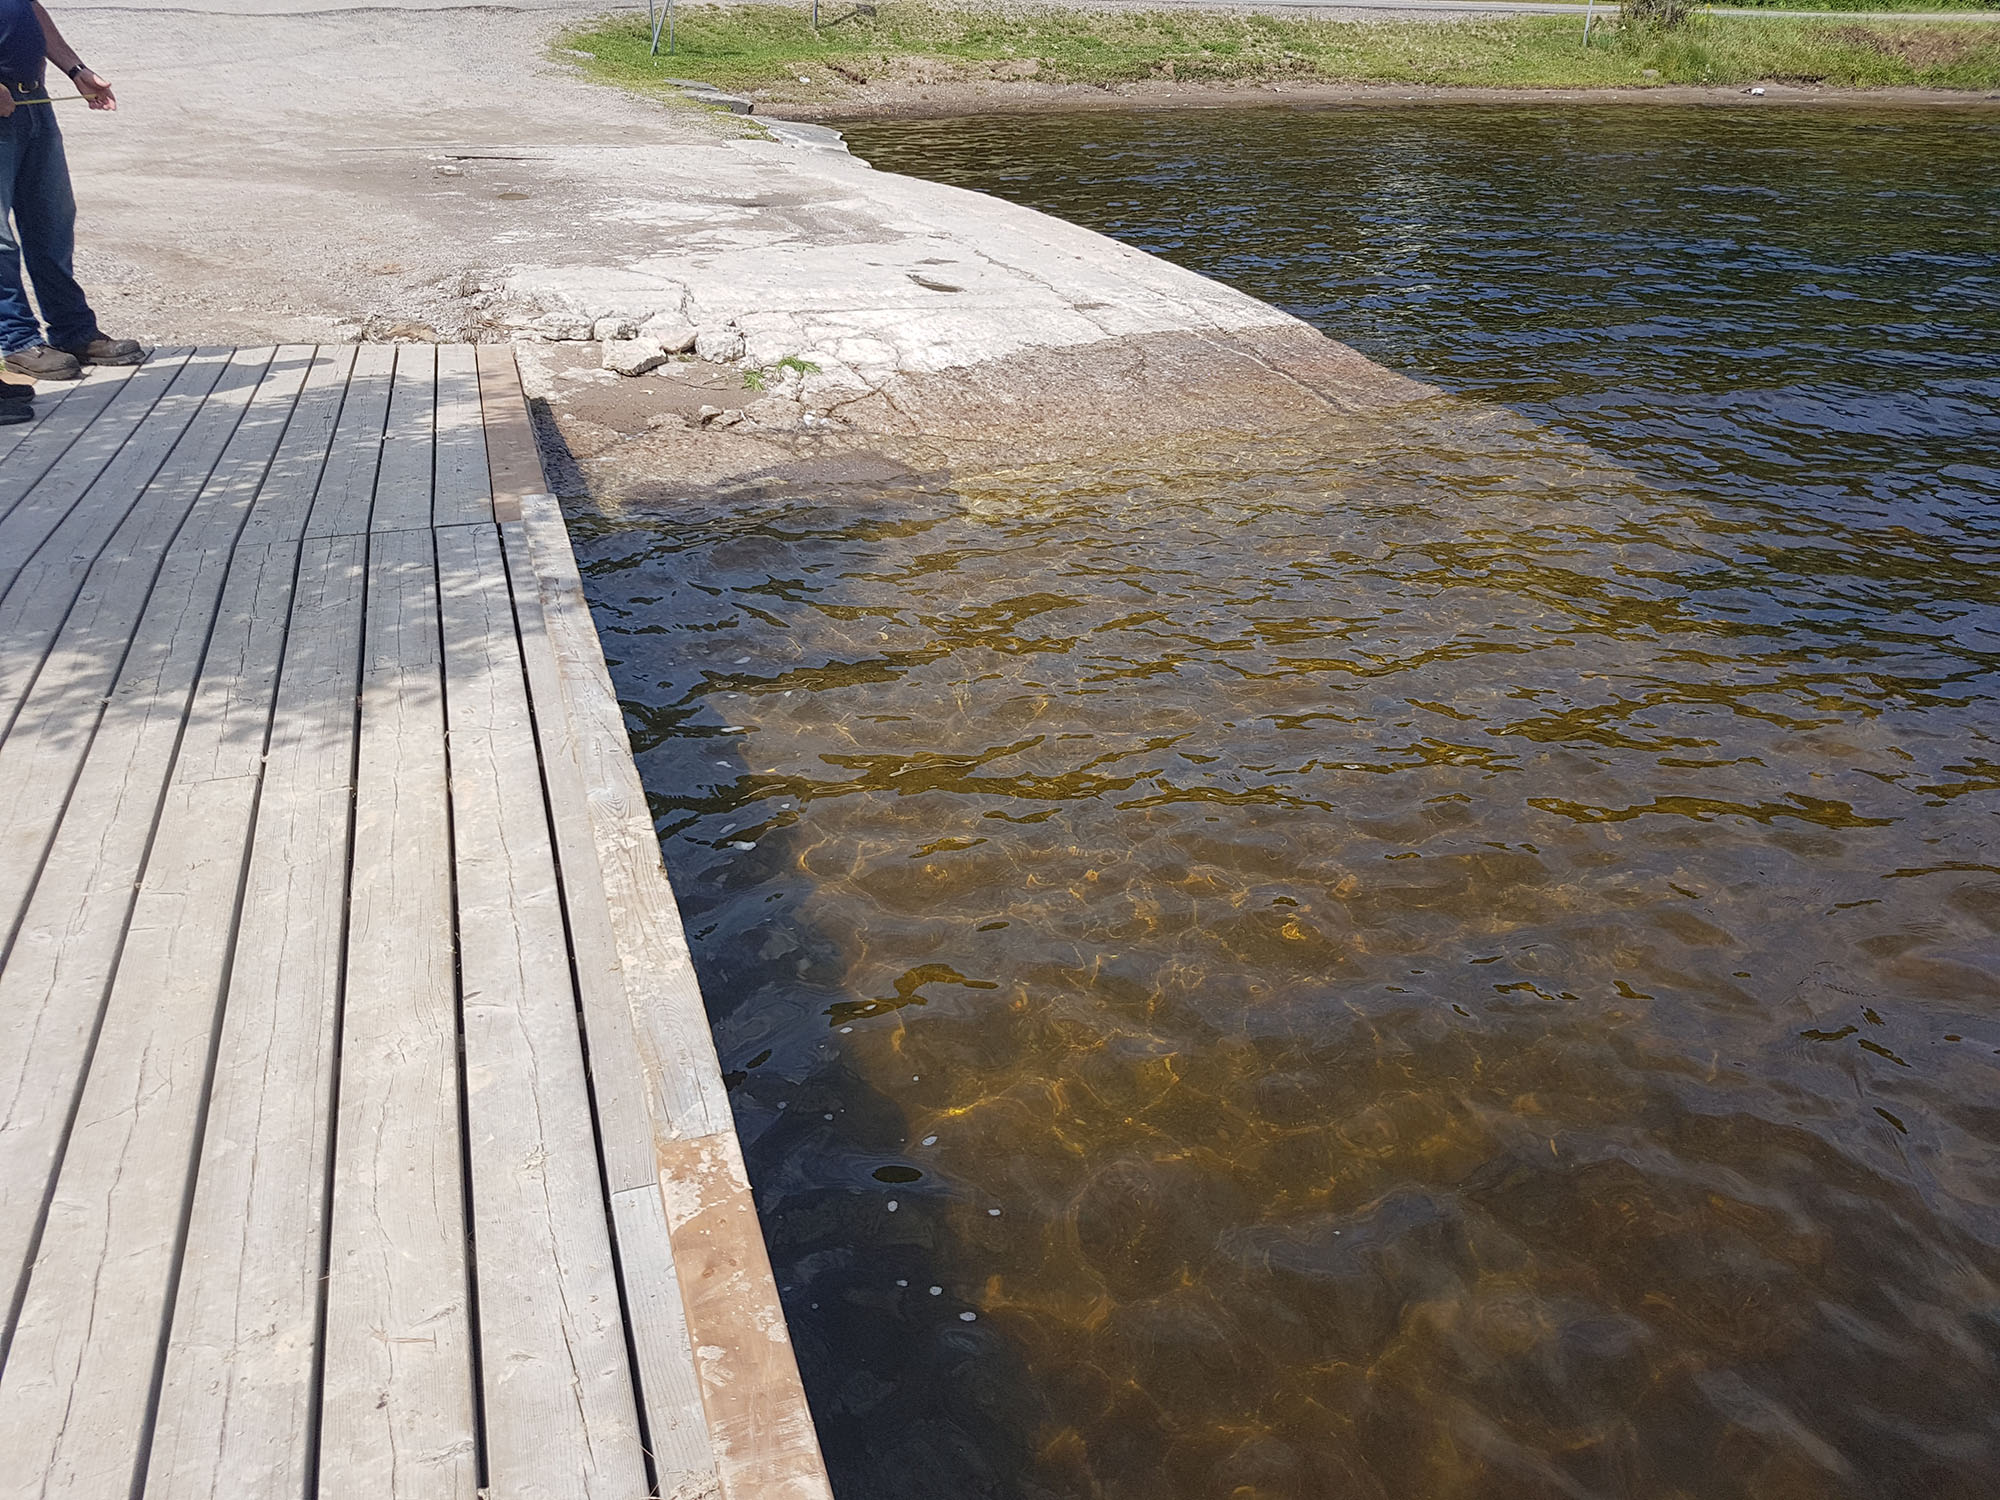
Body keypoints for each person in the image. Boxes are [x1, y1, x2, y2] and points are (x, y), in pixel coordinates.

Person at [0, 0, 142, 382]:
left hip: (32, 100)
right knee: (0, 240)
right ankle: (17, 341)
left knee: (52, 222)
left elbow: (28, 8)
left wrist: (76, 70)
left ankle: (73, 331)